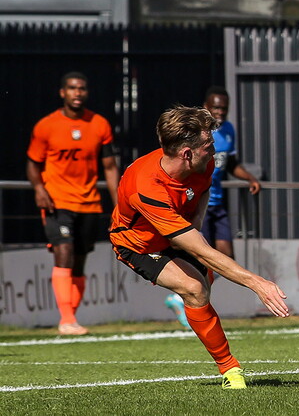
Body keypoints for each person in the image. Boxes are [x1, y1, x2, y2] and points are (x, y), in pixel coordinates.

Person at [109, 105, 289, 389]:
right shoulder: (146, 187)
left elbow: (202, 190)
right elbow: (202, 251)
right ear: (186, 153)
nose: (215, 151)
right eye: (209, 145)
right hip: (137, 244)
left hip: (174, 231)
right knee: (194, 288)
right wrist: (258, 284)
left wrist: (195, 224)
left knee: (203, 283)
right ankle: (231, 371)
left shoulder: (203, 164)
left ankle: (186, 305)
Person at [27, 72, 120, 335]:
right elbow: (33, 164)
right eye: (72, 88)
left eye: (81, 88)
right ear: (62, 92)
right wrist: (38, 188)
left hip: (89, 202)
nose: (77, 93)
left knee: (79, 262)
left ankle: (71, 319)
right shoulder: (46, 126)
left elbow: (110, 167)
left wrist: (119, 203)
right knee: (63, 252)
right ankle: (66, 319)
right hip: (58, 200)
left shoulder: (99, 124)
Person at [164, 86, 262, 328]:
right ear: (205, 107)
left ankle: (184, 299)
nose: (220, 112)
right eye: (215, 107)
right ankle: (186, 300)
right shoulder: (196, 133)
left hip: (216, 202)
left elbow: (231, 163)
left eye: (224, 108)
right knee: (203, 255)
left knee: (226, 256)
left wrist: (249, 177)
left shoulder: (228, 131)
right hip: (198, 202)